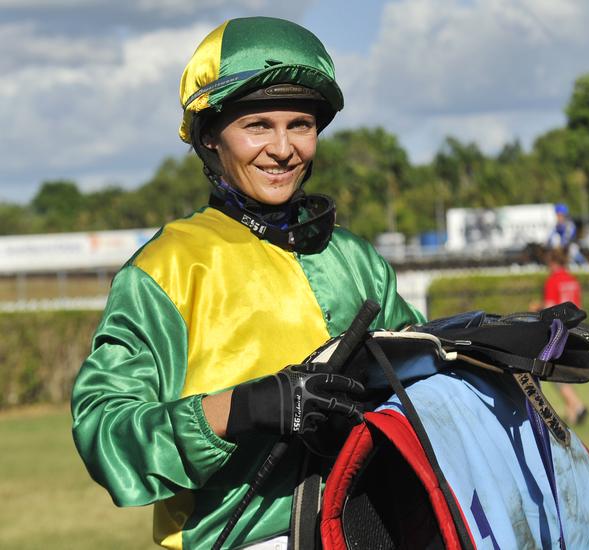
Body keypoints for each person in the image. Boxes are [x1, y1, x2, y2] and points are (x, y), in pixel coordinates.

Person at [70, 16, 424, 550]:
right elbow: (105, 434)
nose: (283, 149)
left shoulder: (355, 257)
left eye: (300, 124)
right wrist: (244, 408)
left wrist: (500, 345)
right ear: (210, 135)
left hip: (373, 528)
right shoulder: (166, 267)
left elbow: (420, 379)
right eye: (258, 125)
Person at [543, 247, 589, 426]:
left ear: (552, 262)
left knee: (554, 372)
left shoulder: (553, 281)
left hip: (557, 332)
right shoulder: (572, 280)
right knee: (563, 372)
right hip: (573, 329)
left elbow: (549, 307)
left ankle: (578, 407)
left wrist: (535, 308)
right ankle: (571, 415)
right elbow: (578, 306)